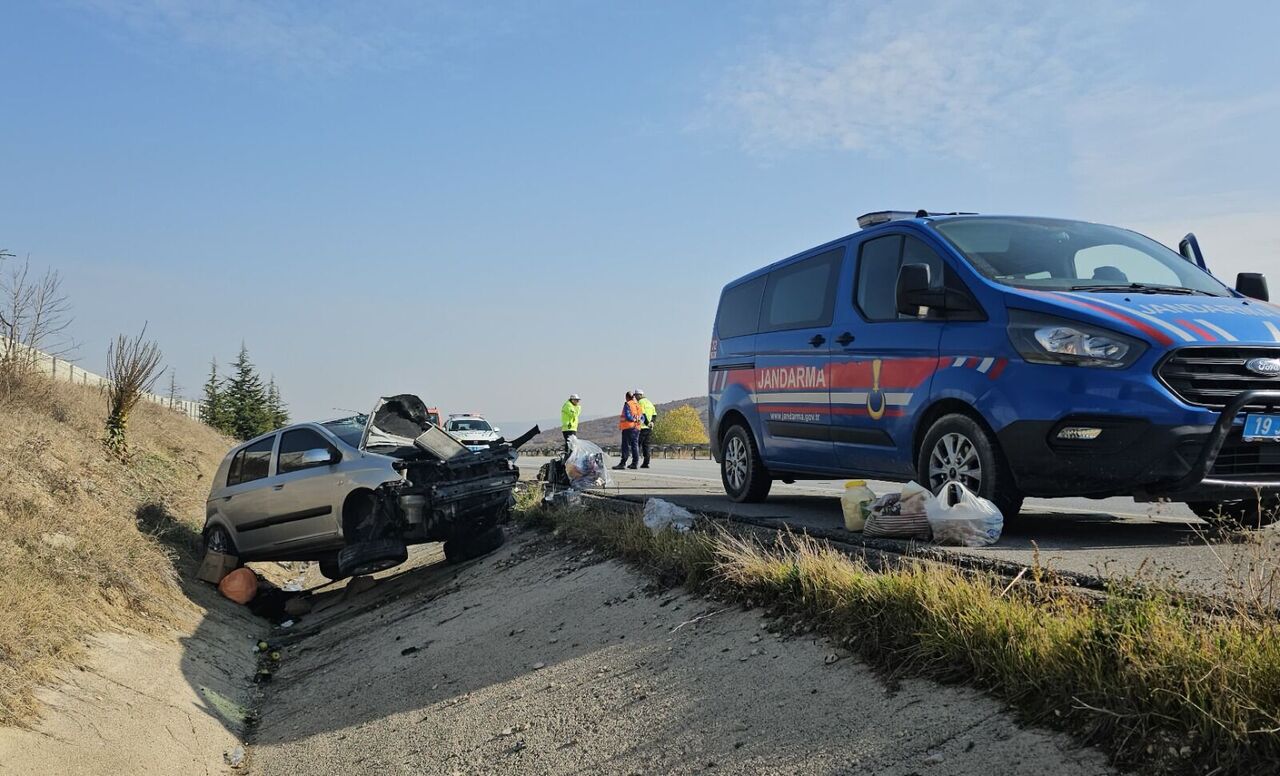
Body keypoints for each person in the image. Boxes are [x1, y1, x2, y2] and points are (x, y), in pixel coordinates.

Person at [614, 391, 642, 470]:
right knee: (635, 445)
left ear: (626, 397)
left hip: (628, 427)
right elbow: (642, 417)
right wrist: (637, 421)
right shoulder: (638, 405)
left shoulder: (628, 404)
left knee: (625, 446)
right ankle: (635, 463)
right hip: (637, 428)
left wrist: (633, 419)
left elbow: (627, 416)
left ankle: (623, 463)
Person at [635, 388, 657, 468]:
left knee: (637, 445)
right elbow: (654, 415)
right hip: (649, 428)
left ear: (640, 395)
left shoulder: (640, 402)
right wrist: (652, 423)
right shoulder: (649, 402)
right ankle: (646, 463)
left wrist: (647, 423)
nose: (635, 397)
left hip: (642, 427)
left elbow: (642, 414)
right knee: (646, 445)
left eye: (636, 395)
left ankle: (635, 462)